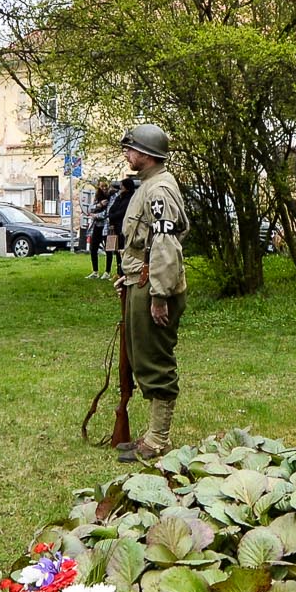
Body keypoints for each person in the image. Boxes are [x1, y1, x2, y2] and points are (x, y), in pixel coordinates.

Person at [115, 125, 186, 463]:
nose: (127, 154)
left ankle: (158, 439)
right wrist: (128, 277)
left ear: (146, 154)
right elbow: (141, 244)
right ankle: (151, 434)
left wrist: (159, 294)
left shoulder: (159, 191)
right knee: (141, 356)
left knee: (155, 360)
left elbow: (165, 244)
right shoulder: (149, 186)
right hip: (141, 280)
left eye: (132, 149)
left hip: (154, 285)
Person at [84, 182, 112, 280]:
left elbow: (108, 212)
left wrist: (96, 215)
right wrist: (99, 205)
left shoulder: (111, 197)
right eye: (102, 186)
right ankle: (95, 271)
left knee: (108, 249)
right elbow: (90, 209)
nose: (104, 188)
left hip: (106, 226)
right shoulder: (97, 197)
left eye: (106, 186)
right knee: (93, 248)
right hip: (96, 226)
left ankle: (107, 272)